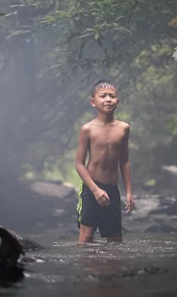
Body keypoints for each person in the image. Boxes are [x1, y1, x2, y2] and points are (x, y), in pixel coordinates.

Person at [75, 79, 134, 243]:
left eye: (112, 96)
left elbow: (125, 161)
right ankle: (86, 267)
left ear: (118, 101)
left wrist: (128, 191)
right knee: (86, 236)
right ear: (93, 102)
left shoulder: (123, 128)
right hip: (91, 187)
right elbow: (79, 164)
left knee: (115, 239)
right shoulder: (88, 129)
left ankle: (111, 269)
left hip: (112, 188)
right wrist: (95, 190)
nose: (108, 99)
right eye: (103, 96)